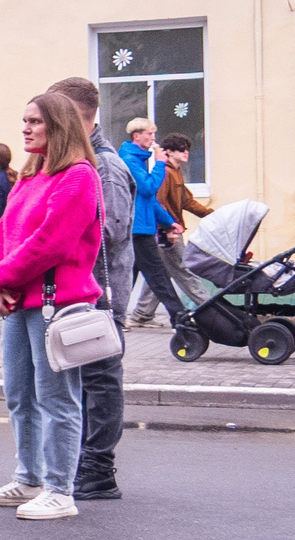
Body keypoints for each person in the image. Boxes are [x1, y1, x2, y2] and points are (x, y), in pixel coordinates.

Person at [0, 91, 106, 522]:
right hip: (20, 303)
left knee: (57, 399)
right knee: (19, 395)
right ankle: (29, 477)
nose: (25, 128)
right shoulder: (29, 176)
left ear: (59, 125)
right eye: (24, 120)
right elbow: (4, 236)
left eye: (35, 121)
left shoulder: (78, 176)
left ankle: (59, 489)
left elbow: (50, 243)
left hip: (58, 304)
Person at [52, 77, 133, 501]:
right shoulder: (79, 160)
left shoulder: (105, 166)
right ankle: (83, 462)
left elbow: (113, 231)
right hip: (84, 293)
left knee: (101, 381)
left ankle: (99, 469)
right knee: (84, 382)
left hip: (102, 296)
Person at [117, 117, 199, 339]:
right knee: (157, 274)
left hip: (141, 225)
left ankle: (116, 317)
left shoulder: (138, 158)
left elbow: (149, 200)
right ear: (137, 136)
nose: (154, 138)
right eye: (150, 134)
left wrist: (168, 221)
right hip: (137, 228)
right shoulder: (129, 159)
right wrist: (161, 162)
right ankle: (179, 316)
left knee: (130, 275)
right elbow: (147, 188)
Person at [131, 132, 208, 327]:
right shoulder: (164, 173)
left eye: (187, 149)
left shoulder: (176, 172)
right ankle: (211, 307)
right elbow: (158, 202)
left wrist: (211, 214)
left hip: (169, 229)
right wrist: (167, 229)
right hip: (167, 231)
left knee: (160, 272)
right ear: (169, 152)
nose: (186, 153)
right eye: (181, 149)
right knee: (184, 269)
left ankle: (142, 314)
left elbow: (187, 201)